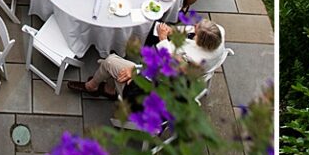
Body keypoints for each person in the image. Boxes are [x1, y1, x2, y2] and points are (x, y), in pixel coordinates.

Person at [67, 17, 225, 99]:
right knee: (113, 63)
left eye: (196, 31)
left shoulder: (190, 60)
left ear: (200, 40)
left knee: (109, 61)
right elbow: (189, 32)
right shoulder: (217, 38)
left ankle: (92, 86)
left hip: (159, 90)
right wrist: (172, 32)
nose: (194, 27)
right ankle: (109, 88)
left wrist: (136, 70)